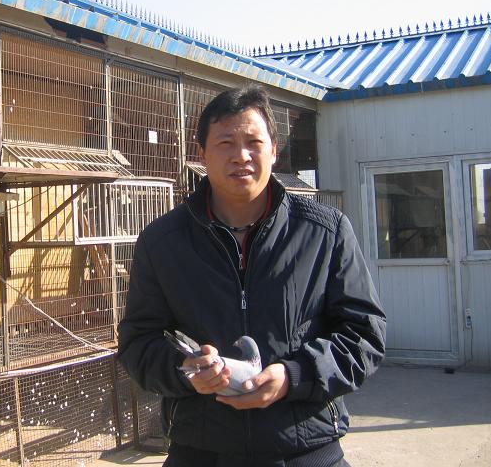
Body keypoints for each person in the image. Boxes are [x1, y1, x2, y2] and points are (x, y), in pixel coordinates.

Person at [117, 86, 386, 467]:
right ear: (202, 154)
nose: (241, 155)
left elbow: (364, 335)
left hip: (307, 452)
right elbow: (137, 343)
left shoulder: (325, 232)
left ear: (274, 151)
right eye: (225, 142)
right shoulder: (162, 243)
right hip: (200, 453)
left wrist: (294, 376)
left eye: (253, 142)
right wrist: (186, 369)